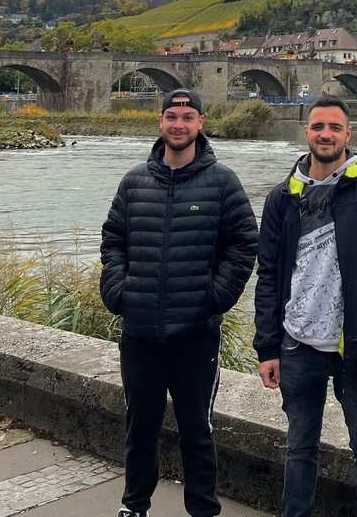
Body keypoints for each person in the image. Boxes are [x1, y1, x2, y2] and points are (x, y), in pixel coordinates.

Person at [100, 89, 259, 517]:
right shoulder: (134, 181)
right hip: (140, 333)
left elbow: (244, 246)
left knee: (197, 432)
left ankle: (203, 511)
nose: (179, 124)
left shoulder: (223, 182)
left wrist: (215, 298)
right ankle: (134, 507)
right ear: (160, 122)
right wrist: (119, 292)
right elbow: (113, 241)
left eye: (187, 117)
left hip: (195, 336)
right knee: (140, 427)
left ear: (200, 124)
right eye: (172, 116)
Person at [253, 95, 357, 517]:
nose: (326, 134)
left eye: (335, 128)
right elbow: (267, 276)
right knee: (299, 445)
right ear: (307, 131)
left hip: (355, 346)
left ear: (348, 134)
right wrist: (267, 345)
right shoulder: (282, 197)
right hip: (297, 342)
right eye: (318, 126)